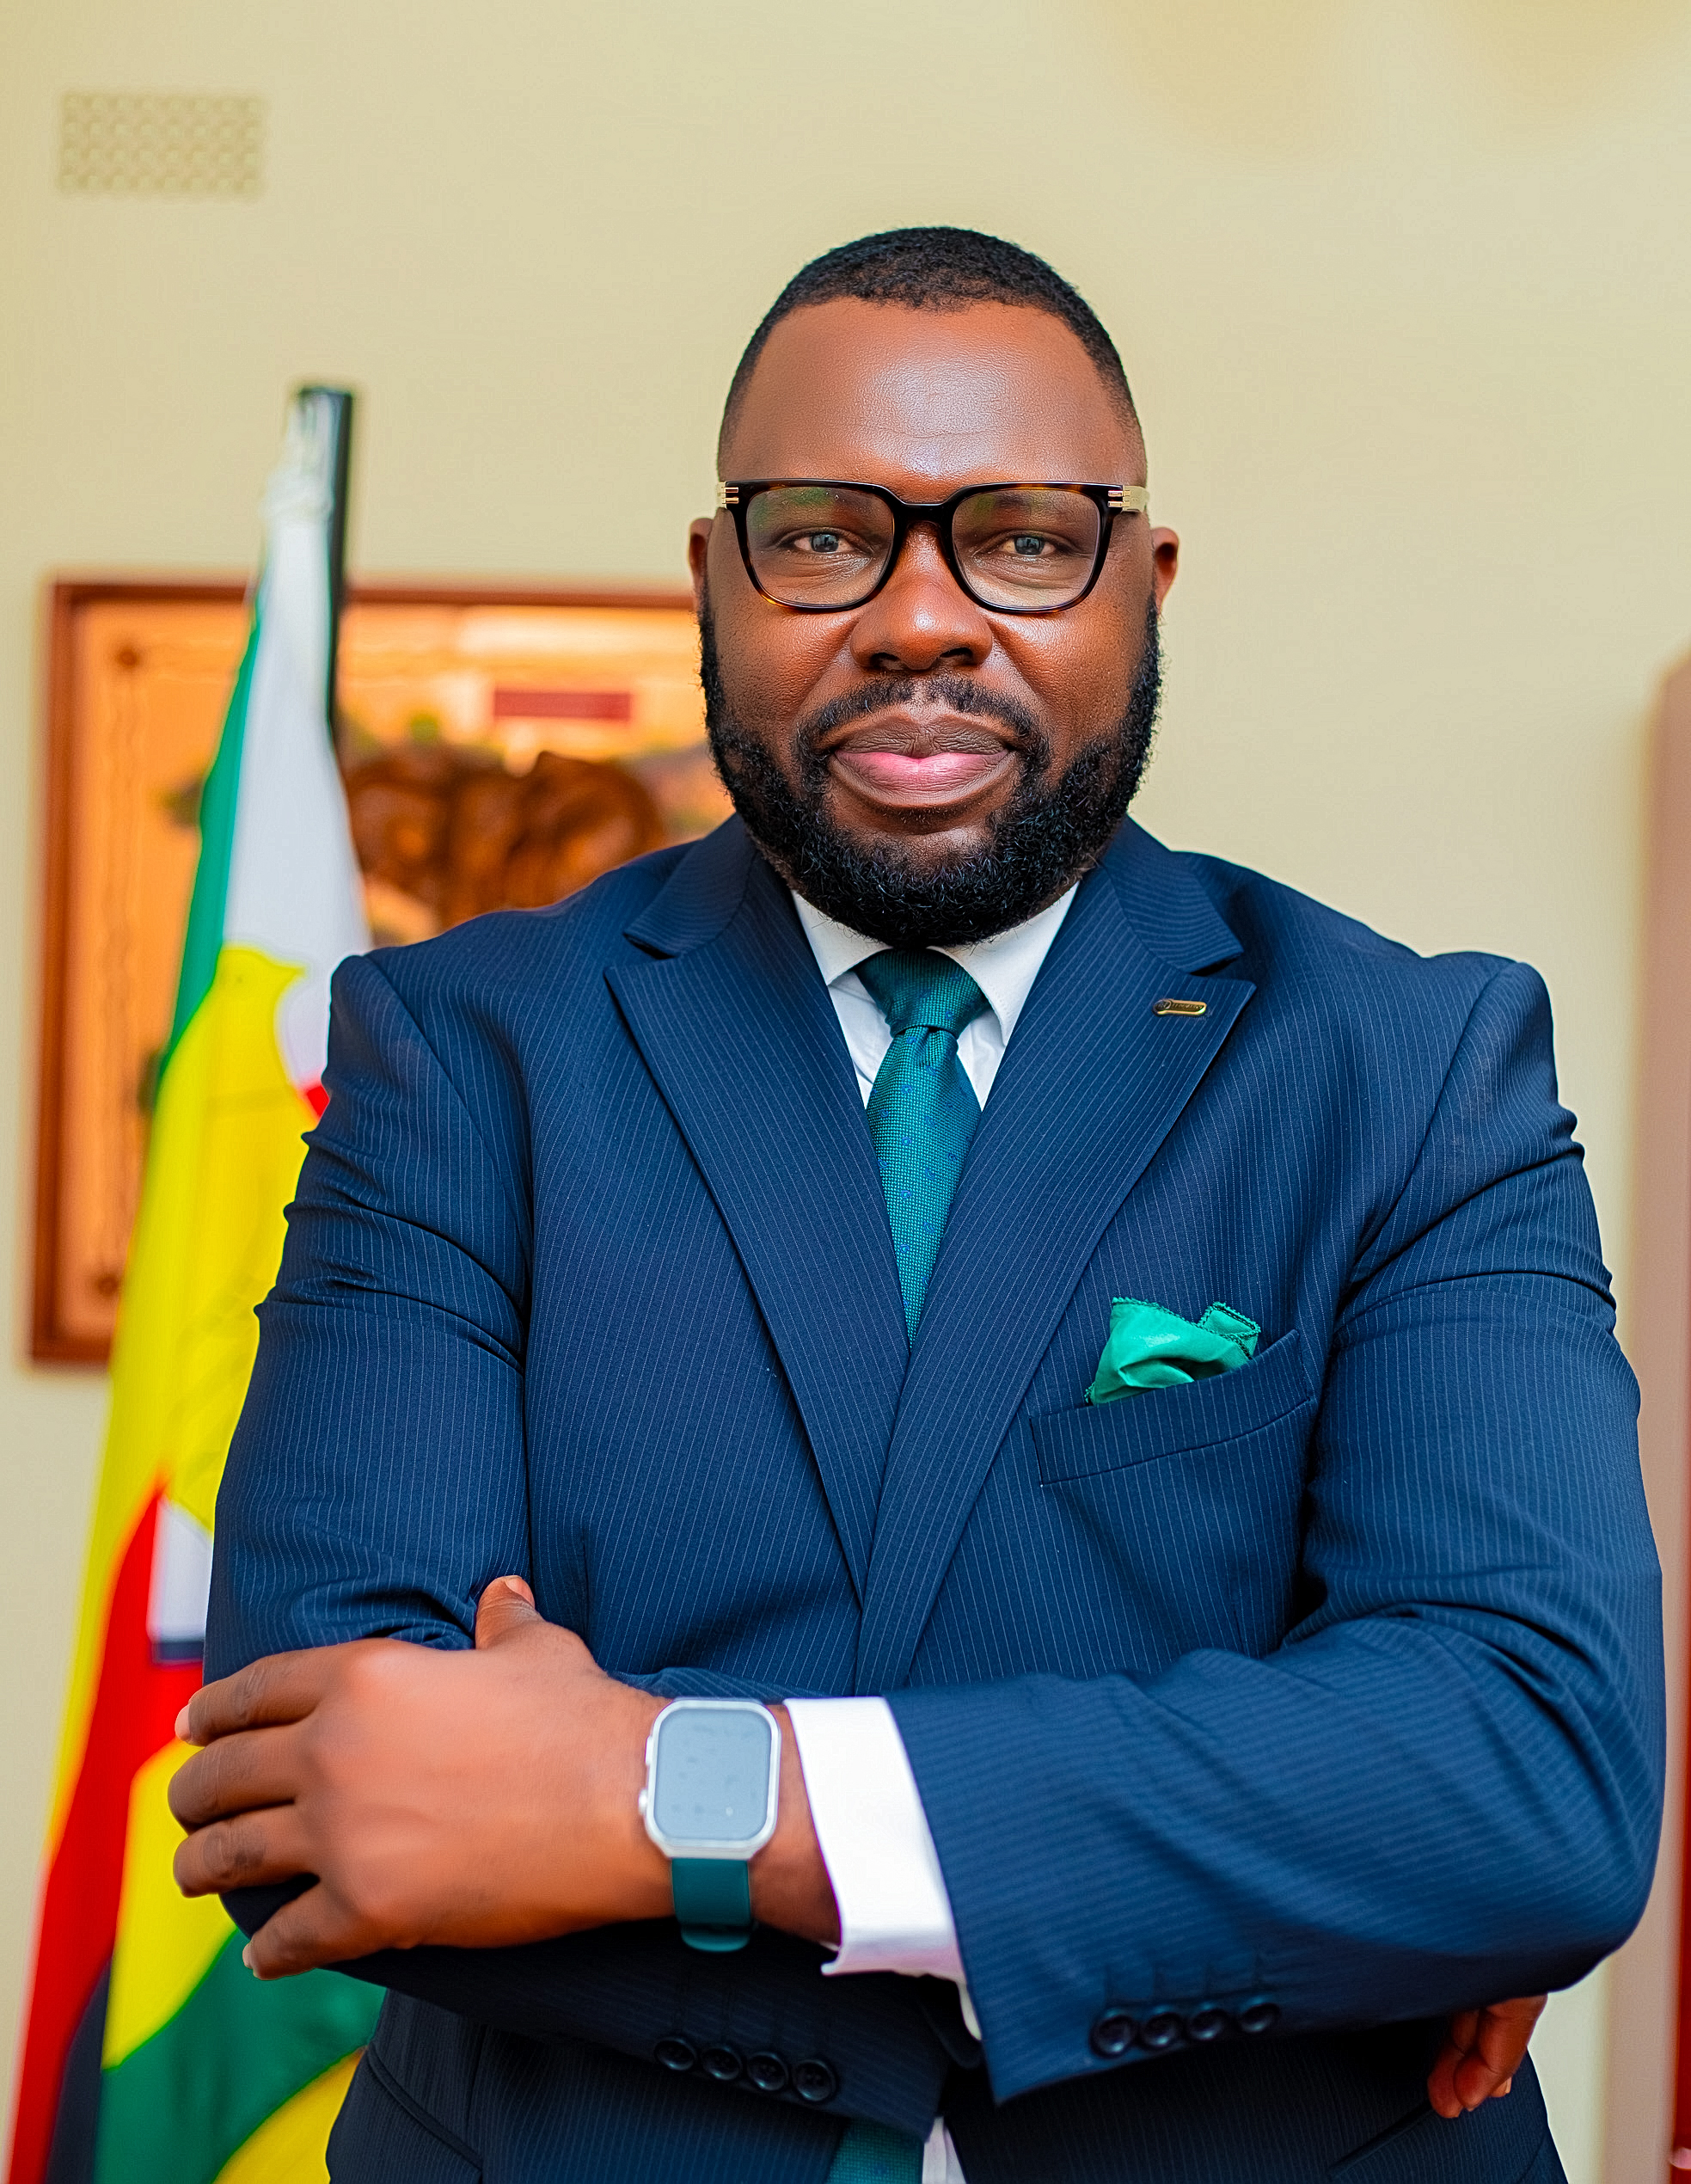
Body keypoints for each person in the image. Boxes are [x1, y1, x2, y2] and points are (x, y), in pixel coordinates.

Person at [169, 228, 1663, 2184]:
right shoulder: (458, 1058)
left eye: (1025, 538)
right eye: (823, 536)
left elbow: (1529, 1777)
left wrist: (669, 1796)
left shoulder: (1410, 1067)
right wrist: (1305, 1901)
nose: (921, 618)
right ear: (714, 579)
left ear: (1146, 583)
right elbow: (325, 1796)